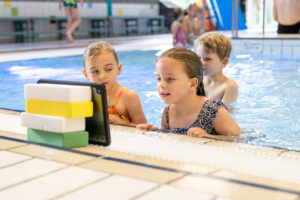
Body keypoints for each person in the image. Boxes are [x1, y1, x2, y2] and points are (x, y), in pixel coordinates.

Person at [137, 48, 241, 139]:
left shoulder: (213, 110)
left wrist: (208, 136)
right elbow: (168, 139)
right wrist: (154, 132)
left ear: (192, 84)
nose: (161, 85)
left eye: (170, 79)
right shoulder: (167, 113)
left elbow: (238, 138)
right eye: (159, 79)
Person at [82, 41, 147, 126]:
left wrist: (120, 122)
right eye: (95, 71)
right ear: (86, 75)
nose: (102, 76)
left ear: (118, 69)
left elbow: (145, 131)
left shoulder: (129, 96)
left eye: (108, 69)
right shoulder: (86, 97)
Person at [195, 32, 238, 106]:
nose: (201, 62)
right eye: (199, 58)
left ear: (223, 62)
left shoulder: (228, 86)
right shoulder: (197, 82)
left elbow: (225, 114)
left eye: (207, 59)